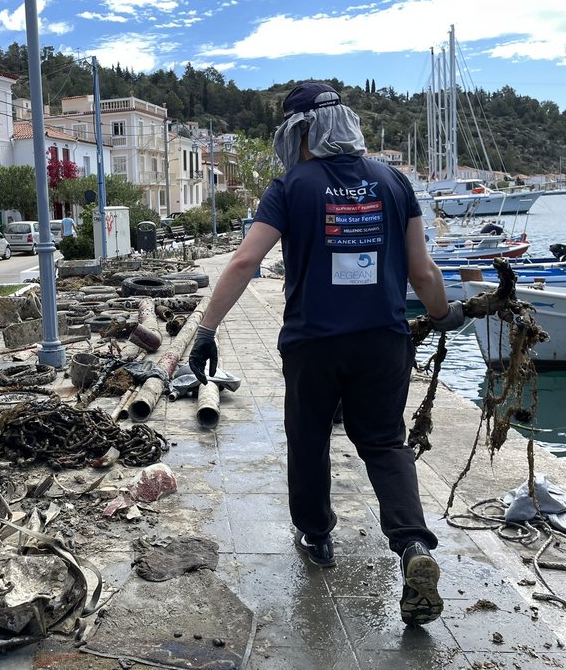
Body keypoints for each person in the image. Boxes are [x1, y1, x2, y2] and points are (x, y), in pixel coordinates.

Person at [188, 81, 465, 626]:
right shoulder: (395, 182)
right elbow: (422, 271)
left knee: (309, 439)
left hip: (312, 344)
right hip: (384, 341)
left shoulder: (290, 187)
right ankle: (413, 547)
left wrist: (207, 329)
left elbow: (245, 262)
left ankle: (317, 535)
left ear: (301, 133)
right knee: (385, 442)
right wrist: (442, 315)